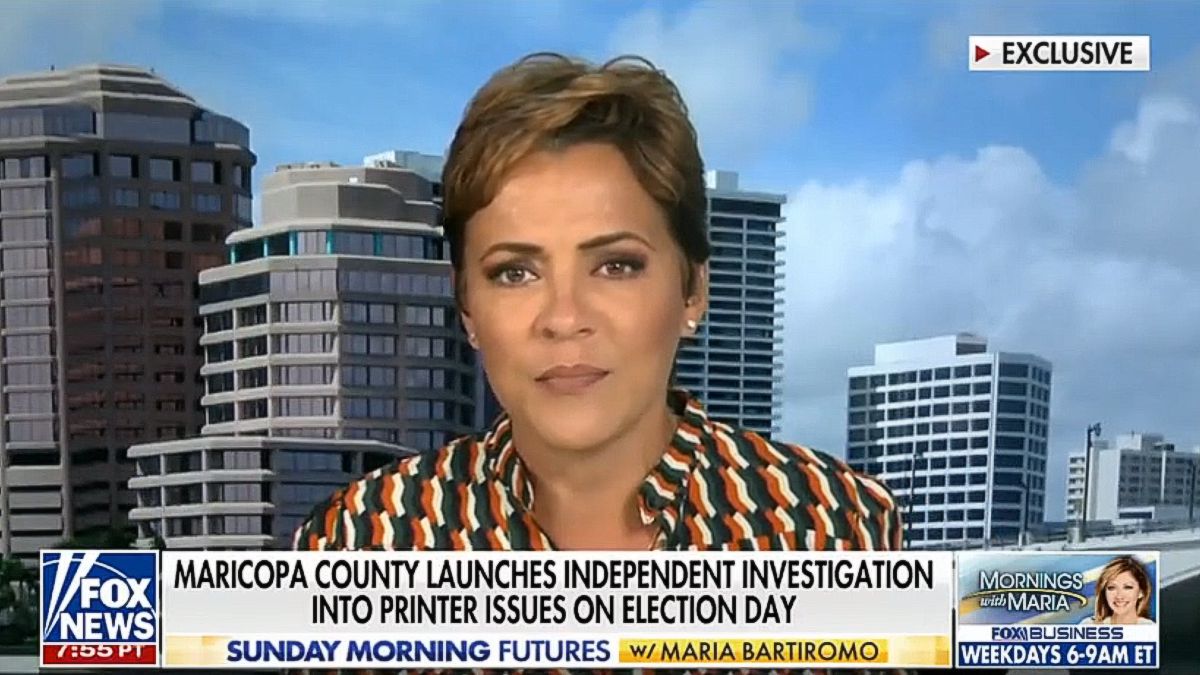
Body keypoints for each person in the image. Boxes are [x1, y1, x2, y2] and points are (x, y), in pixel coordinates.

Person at [291, 52, 904, 674]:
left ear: (693, 289)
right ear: (468, 307)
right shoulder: (364, 539)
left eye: (615, 265)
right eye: (515, 272)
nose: (564, 317)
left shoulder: (830, 525)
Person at [1080, 556, 1155, 625]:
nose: (1119, 596)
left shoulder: (1150, 627)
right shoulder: (1088, 625)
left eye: (1127, 587)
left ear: (1141, 592)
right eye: (1112, 587)